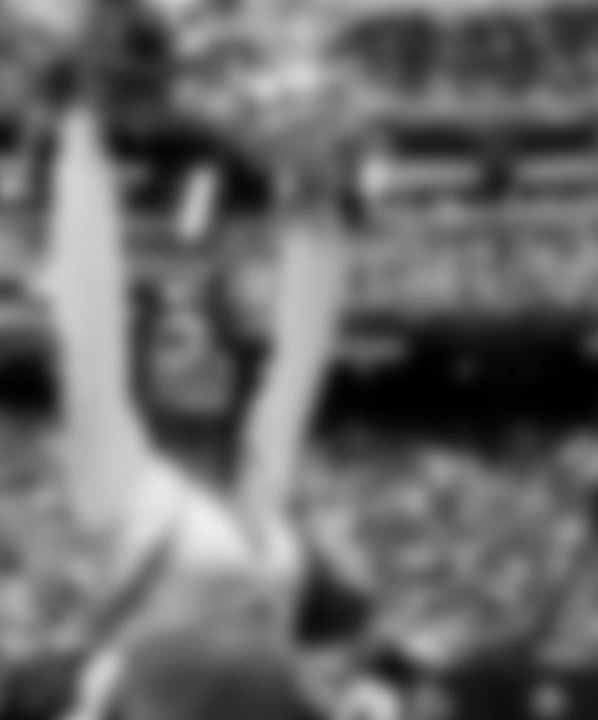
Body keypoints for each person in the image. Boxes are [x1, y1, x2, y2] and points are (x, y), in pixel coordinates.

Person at [23, 66, 381, 720]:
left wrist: (314, 196)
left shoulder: (256, 483)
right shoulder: (120, 479)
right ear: (141, 373)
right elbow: (89, 312)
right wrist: (80, 138)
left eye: (214, 339)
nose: (205, 352)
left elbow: (303, 348)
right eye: (173, 340)